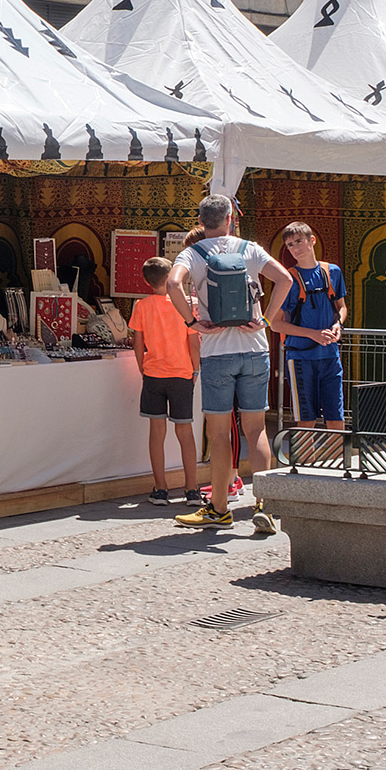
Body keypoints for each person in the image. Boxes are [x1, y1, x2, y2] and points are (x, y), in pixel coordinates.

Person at [165, 194, 294, 532]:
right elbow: (285, 279)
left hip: (216, 352)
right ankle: (264, 505)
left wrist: (192, 322)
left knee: (220, 434)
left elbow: (172, 283)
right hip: (254, 348)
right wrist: (265, 319)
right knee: (256, 429)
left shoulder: (192, 253)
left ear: (202, 220)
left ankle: (219, 508)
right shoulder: (250, 248)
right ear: (229, 219)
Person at [131, 258, 201, 505]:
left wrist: (142, 368)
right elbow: (193, 342)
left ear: (146, 281)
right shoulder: (186, 305)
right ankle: (191, 489)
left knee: (156, 431)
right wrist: (195, 369)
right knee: (185, 431)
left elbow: (138, 343)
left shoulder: (141, 306)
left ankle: (160, 488)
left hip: (153, 373)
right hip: (181, 373)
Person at [274, 223, 347, 431]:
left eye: (299, 241)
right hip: (301, 358)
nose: (295, 248)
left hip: (331, 356)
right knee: (306, 421)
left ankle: (337, 463)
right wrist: (312, 334)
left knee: (336, 417)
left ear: (311, 240)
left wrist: (338, 324)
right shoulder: (287, 279)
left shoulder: (332, 272)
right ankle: (306, 463)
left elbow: (342, 307)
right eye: (290, 245)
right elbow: (276, 323)